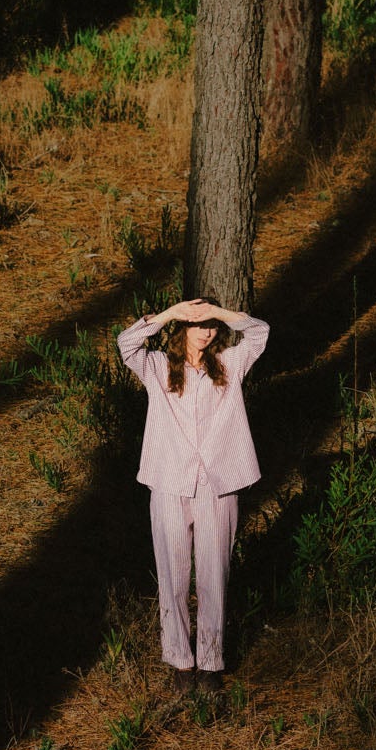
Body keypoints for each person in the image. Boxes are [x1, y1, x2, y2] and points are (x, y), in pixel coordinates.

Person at [116, 296, 271, 694]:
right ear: (181, 327)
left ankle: (210, 662)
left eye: (210, 325)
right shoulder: (156, 367)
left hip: (218, 483)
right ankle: (180, 662)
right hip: (169, 480)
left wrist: (219, 313)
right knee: (172, 574)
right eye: (196, 323)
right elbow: (126, 344)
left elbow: (259, 332)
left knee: (214, 572)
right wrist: (170, 314)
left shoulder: (230, 366)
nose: (204, 331)